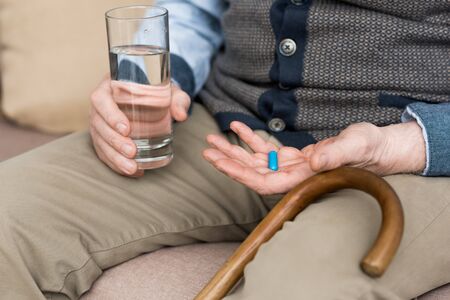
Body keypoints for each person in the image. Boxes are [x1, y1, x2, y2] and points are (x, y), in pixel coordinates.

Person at [0, 0, 449, 299]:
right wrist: (151, 81)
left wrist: (404, 143)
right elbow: (198, 8)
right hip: (229, 124)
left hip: (413, 156)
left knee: (295, 287)